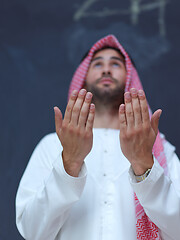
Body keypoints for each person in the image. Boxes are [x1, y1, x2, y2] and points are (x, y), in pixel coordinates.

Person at [16, 35, 180, 240]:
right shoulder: (53, 145)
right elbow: (32, 231)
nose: (106, 70)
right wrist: (69, 164)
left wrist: (144, 165)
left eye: (115, 64)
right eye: (98, 64)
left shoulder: (155, 147)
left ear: (130, 77)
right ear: (83, 77)